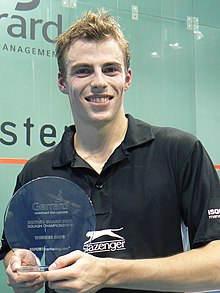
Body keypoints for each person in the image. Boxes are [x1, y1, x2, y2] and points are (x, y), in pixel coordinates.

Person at [1, 8, 220, 293]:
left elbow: (216, 265)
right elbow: (15, 252)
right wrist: (22, 265)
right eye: (83, 71)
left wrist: (107, 273)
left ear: (127, 78)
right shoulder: (37, 170)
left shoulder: (179, 151)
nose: (99, 82)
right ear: (62, 82)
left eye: (110, 69)